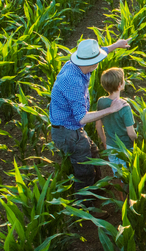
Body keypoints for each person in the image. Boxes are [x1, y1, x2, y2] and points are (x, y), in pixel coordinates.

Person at [49, 37, 130, 194]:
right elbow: (82, 118)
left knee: (93, 154)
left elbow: (98, 51)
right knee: (84, 170)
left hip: (72, 127)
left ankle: (97, 189)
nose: (100, 61)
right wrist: (111, 110)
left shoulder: (78, 63)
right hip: (68, 132)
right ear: (89, 62)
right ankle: (86, 207)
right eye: (97, 59)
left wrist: (116, 45)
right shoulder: (73, 81)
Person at [95, 67, 137, 185]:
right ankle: (128, 199)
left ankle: (121, 198)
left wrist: (104, 141)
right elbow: (131, 133)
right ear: (120, 85)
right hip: (125, 147)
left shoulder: (101, 102)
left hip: (110, 146)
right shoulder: (125, 107)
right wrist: (137, 143)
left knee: (116, 173)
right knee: (128, 177)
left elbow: (98, 126)